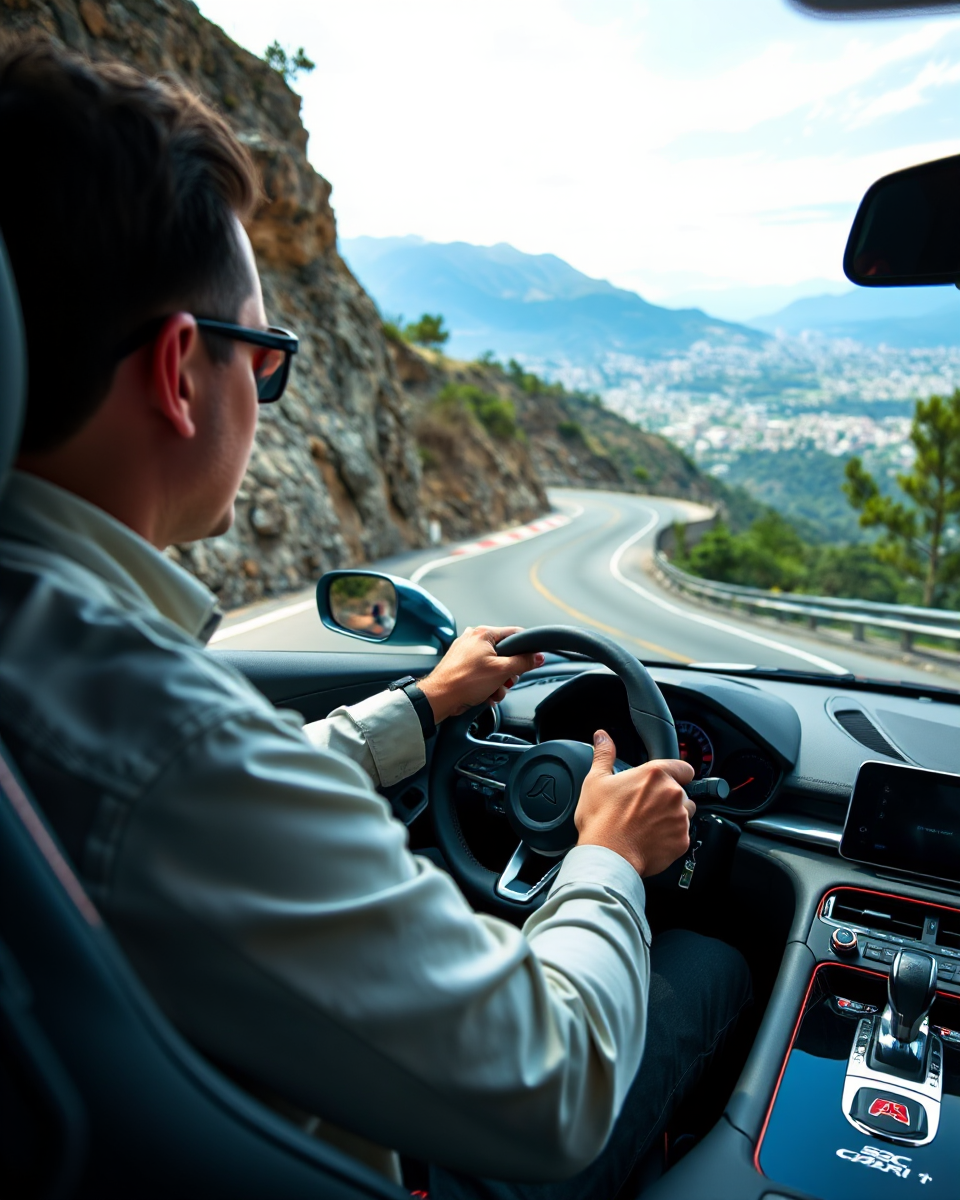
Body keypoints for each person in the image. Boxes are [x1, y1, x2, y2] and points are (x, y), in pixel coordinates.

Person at [0, 42, 751, 1198]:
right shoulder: (158, 728)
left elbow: (227, 797)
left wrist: (423, 706)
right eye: (269, 357)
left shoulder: (57, 667)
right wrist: (605, 859)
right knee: (715, 963)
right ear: (179, 370)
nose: (265, 393)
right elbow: (559, 1082)